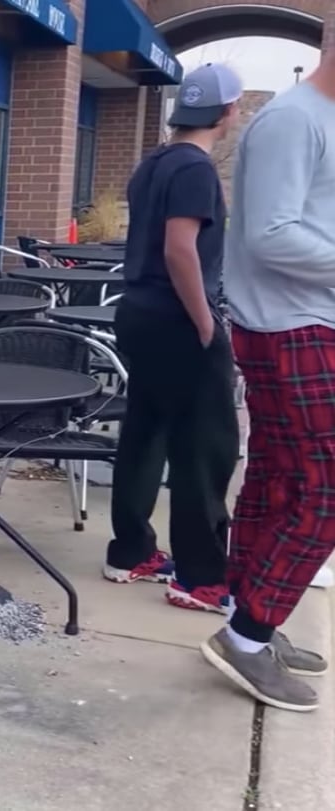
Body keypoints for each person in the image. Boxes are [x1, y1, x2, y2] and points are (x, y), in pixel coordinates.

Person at [203, 47, 335, 712]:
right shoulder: (295, 120)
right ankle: (247, 634)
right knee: (324, 490)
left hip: (299, 322)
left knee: (282, 478)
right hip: (292, 324)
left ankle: (252, 619)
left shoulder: (315, 118)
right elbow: (272, 235)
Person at [102, 63, 244, 614]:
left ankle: (131, 551)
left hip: (139, 313)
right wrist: (207, 324)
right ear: (228, 112)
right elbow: (179, 248)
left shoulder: (153, 163)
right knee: (205, 447)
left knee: (147, 432)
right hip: (178, 319)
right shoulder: (195, 170)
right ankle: (202, 578)